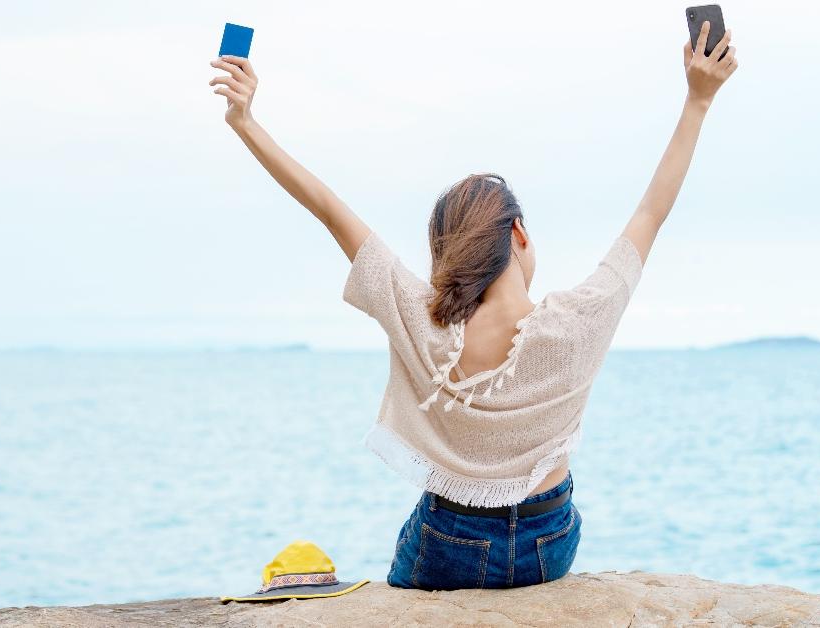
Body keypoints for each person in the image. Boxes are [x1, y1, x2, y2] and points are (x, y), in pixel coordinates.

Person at [208, 20, 738, 590]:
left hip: (448, 542)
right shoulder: (579, 320)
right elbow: (651, 212)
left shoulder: (421, 318)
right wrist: (697, 100)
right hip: (548, 541)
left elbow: (329, 209)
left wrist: (245, 122)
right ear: (519, 235)